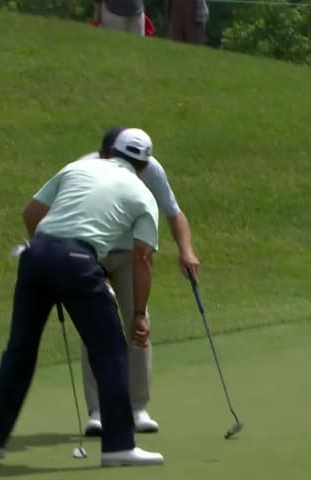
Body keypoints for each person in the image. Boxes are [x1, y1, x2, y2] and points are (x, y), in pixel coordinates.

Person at [0, 128, 164, 467]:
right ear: (145, 165)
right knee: (110, 350)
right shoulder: (142, 192)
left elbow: (31, 212)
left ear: (108, 153)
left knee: (20, 350)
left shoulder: (77, 168)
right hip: (79, 261)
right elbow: (142, 259)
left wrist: (48, 259)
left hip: (36, 257)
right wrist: (138, 314)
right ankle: (119, 445)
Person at [77, 127, 200, 436]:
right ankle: (99, 411)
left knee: (139, 322)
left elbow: (173, 212)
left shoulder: (150, 169)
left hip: (133, 253)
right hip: (92, 251)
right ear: (106, 155)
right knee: (95, 327)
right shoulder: (85, 169)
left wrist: (186, 250)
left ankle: (136, 407)